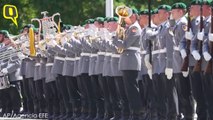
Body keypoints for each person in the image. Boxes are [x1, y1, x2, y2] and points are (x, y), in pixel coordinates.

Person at [113, 8, 142, 120]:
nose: (124, 19)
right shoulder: (129, 28)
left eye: (127, 16)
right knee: (128, 90)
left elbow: (125, 45)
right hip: (127, 61)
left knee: (132, 90)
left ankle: (137, 114)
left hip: (131, 61)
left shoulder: (134, 28)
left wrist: (115, 39)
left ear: (134, 16)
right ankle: (132, 113)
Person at [170, 2, 194, 120]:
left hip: (182, 60)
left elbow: (185, 43)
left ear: (180, 11)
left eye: (173, 11)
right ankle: (184, 113)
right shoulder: (178, 23)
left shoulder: (183, 23)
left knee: (185, 90)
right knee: (180, 90)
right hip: (177, 60)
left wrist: (186, 61)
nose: (172, 14)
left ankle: (189, 114)